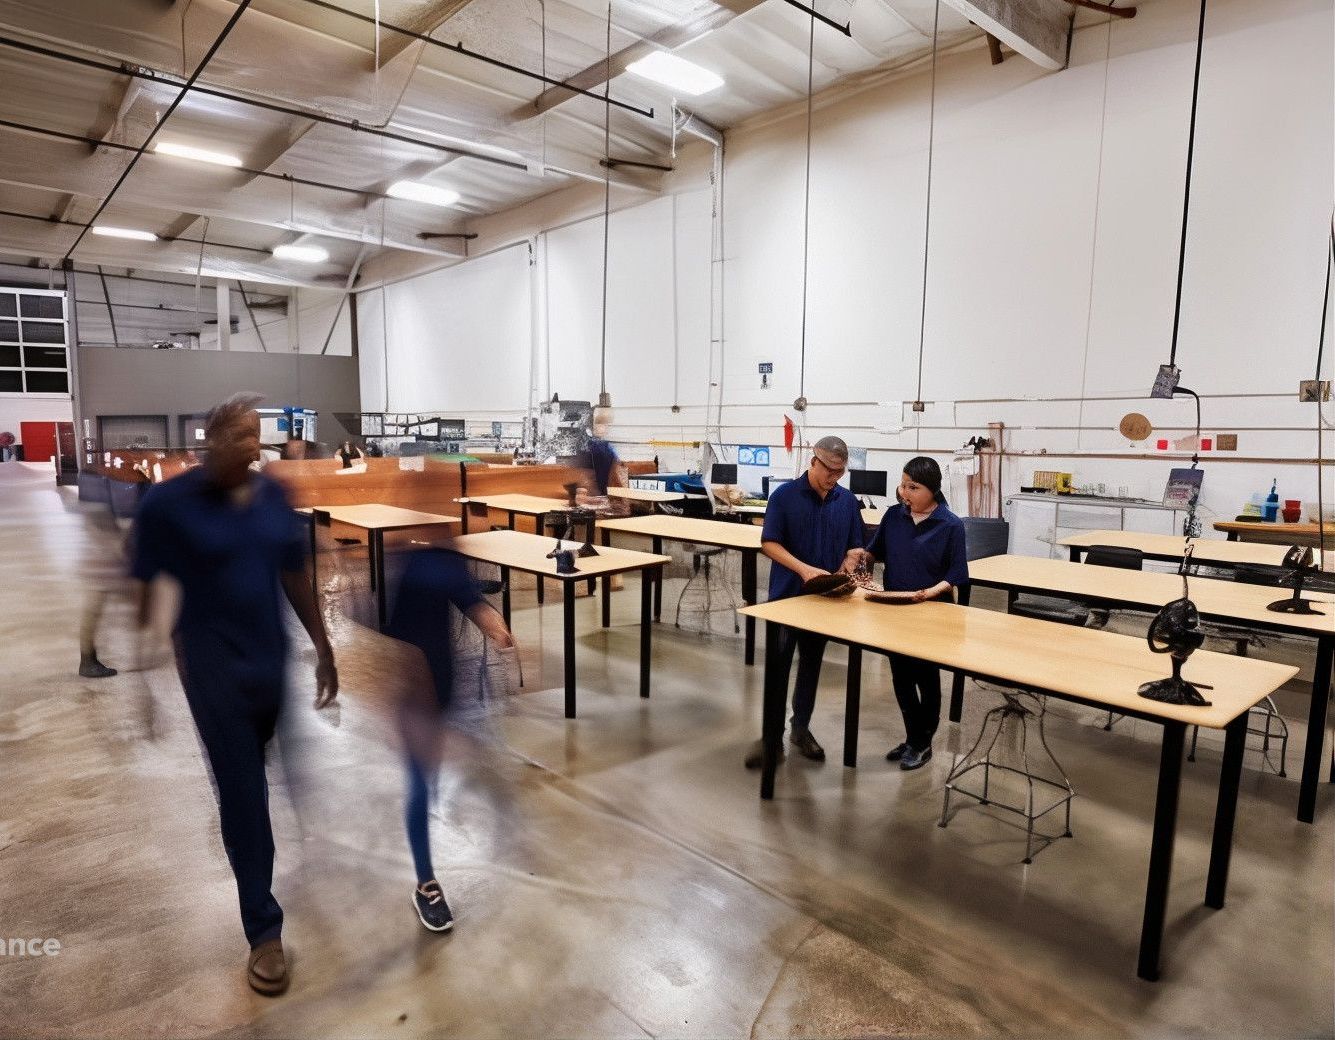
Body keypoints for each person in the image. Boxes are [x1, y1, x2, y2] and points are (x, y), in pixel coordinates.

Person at [131, 392, 338, 996]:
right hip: (210, 664)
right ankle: (264, 931)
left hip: (269, 662)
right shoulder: (169, 503)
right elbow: (144, 583)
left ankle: (255, 785)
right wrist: (143, 673)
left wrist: (324, 647)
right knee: (244, 792)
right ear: (211, 436)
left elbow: (294, 572)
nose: (253, 445)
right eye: (241, 435)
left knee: (264, 763)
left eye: (257, 436)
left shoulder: (273, 494)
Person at [385, 548, 515, 932]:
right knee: (420, 786)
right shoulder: (406, 560)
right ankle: (426, 884)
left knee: (433, 783)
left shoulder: (447, 556)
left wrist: (491, 620)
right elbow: (393, 631)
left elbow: (467, 596)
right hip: (413, 691)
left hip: (445, 684)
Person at [744, 435, 865, 769]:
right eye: (828, 469)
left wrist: (848, 566)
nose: (833, 477)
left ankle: (800, 728)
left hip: (824, 601)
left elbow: (856, 545)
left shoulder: (847, 501)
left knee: (811, 665)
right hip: (787, 599)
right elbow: (769, 543)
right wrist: (804, 569)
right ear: (813, 461)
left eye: (840, 472)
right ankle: (771, 737)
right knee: (779, 667)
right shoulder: (785, 496)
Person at [857, 456, 968, 771]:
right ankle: (914, 738)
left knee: (926, 677)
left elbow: (957, 574)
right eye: (903, 484)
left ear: (932, 490)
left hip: (932, 613)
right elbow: (874, 551)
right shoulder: (894, 517)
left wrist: (928, 593)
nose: (904, 492)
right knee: (901, 677)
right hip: (895, 610)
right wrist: (863, 562)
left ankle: (922, 742)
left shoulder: (951, 525)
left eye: (913, 487)